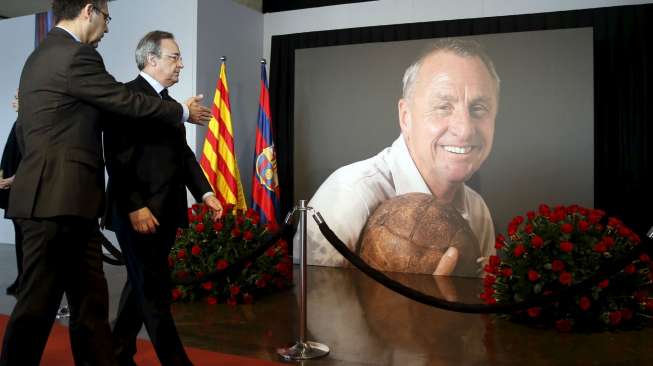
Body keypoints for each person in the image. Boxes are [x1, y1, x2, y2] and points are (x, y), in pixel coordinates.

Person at [0, 1, 212, 365]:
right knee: (37, 311)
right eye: (106, 18)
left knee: (91, 309)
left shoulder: (42, 56)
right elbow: (122, 101)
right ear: (88, 10)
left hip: (69, 203)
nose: (108, 28)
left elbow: (50, 128)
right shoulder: (76, 56)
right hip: (56, 205)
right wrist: (181, 111)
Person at [297, 38, 499, 277]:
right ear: (406, 117)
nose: (465, 129)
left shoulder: (478, 211)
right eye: (443, 106)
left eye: (479, 108)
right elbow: (313, 309)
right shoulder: (348, 199)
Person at [103, 30, 222, 366]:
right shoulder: (125, 97)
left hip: (166, 212)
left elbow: (182, 156)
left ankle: (116, 352)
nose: (181, 64)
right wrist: (135, 206)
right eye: (174, 57)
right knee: (154, 293)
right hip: (137, 214)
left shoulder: (171, 106)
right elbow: (117, 157)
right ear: (151, 59)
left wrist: (205, 192)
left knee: (141, 287)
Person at [0, 92, 22, 296]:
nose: (13, 100)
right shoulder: (20, 122)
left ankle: (25, 280)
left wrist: (15, 178)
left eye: (18, 96)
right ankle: (22, 278)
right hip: (12, 190)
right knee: (20, 236)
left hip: (22, 191)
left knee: (25, 239)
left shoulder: (29, 125)